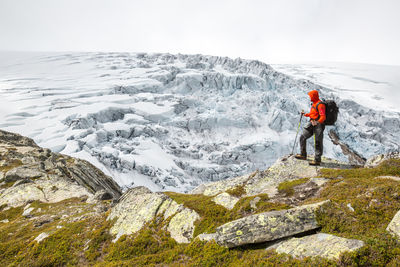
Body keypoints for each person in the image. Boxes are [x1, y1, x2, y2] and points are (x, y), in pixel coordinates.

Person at [295, 90, 326, 166]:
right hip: (311, 123)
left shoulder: (320, 105)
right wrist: (305, 114)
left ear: (314, 96)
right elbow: (313, 114)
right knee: (303, 137)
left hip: (318, 125)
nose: (310, 97)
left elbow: (323, 116)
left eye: (311, 96)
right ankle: (303, 155)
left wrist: (317, 122)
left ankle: (317, 160)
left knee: (318, 142)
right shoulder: (314, 104)